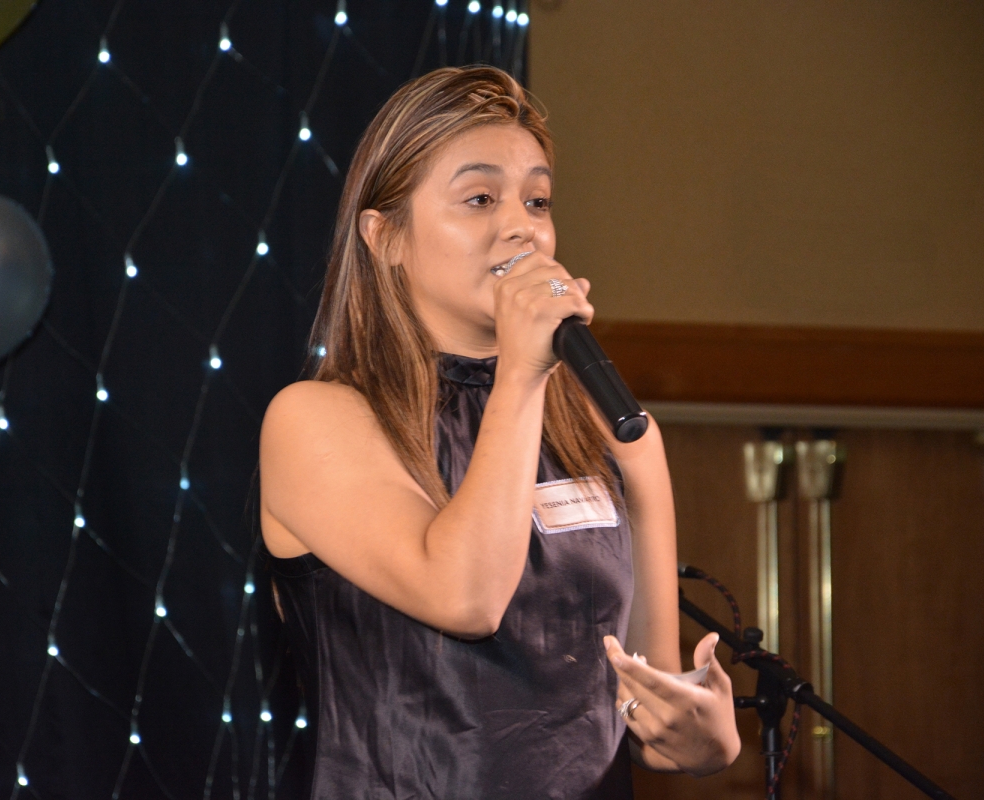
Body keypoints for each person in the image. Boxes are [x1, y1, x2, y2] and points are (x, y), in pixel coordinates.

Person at [259, 65, 740, 799]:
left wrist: (702, 734)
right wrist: (522, 374)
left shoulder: (611, 428)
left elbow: (651, 703)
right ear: (384, 236)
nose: (522, 224)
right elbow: (467, 597)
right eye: (480, 198)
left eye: (537, 199)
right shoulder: (315, 420)